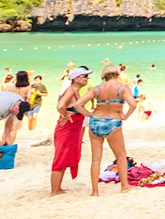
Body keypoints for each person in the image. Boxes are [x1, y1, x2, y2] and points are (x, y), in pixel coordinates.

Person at [73, 64, 137, 195]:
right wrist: (125, 116)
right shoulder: (123, 88)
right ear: (117, 74)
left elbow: (77, 104)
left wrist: (88, 114)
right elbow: (133, 104)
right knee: (121, 156)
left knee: (96, 158)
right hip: (113, 122)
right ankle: (124, 186)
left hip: (95, 122)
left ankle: (95, 191)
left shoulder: (96, 88)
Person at [51, 66, 91, 195]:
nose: (87, 78)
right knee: (61, 157)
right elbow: (60, 105)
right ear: (76, 78)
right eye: (85, 76)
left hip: (72, 129)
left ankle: (58, 187)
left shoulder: (76, 90)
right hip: (66, 129)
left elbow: (79, 109)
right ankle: (55, 190)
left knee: (65, 157)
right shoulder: (71, 90)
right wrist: (65, 114)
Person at [4, 70, 31, 144]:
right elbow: (28, 98)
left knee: (7, 128)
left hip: (9, 107)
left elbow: (5, 93)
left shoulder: (12, 87)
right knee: (14, 129)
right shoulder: (27, 87)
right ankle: (10, 144)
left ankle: (3, 144)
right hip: (20, 108)